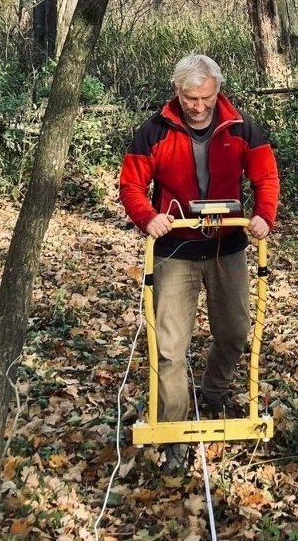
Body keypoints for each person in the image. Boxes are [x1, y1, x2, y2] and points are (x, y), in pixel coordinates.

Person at [119, 53, 280, 469]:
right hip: (175, 250)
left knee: (235, 331)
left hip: (227, 248)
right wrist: (148, 217)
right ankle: (173, 432)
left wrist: (264, 215)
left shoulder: (241, 127)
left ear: (217, 91)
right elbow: (131, 184)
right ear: (178, 92)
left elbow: (265, 176)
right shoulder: (154, 132)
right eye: (191, 98)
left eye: (207, 97)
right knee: (170, 348)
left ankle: (214, 393)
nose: (199, 106)